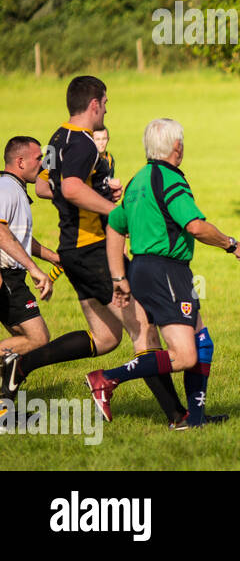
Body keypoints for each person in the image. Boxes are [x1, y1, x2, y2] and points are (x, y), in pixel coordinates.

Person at [0, 76, 185, 425]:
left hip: (73, 251)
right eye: (105, 103)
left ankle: (21, 364)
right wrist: (112, 209)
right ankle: (178, 415)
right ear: (95, 104)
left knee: (104, 337)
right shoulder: (84, 143)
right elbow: (69, 188)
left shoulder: (58, 137)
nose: (105, 110)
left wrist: (95, 192)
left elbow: (43, 185)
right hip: (93, 251)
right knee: (143, 327)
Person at [85, 118, 240, 428]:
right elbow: (195, 226)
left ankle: (195, 421)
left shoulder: (137, 181)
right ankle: (106, 378)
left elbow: (115, 227)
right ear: (177, 147)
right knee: (185, 356)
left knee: (202, 343)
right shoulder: (170, 180)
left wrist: (120, 277)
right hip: (166, 272)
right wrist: (231, 244)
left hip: (148, 270)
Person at [0, 137, 59, 356]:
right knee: (38, 338)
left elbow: (19, 237)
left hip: (10, 277)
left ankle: (8, 390)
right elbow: (1, 233)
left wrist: (53, 257)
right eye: (38, 158)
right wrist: (34, 268)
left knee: (18, 347)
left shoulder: (15, 188)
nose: (43, 163)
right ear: (21, 162)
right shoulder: (6, 188)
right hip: (6, 276)